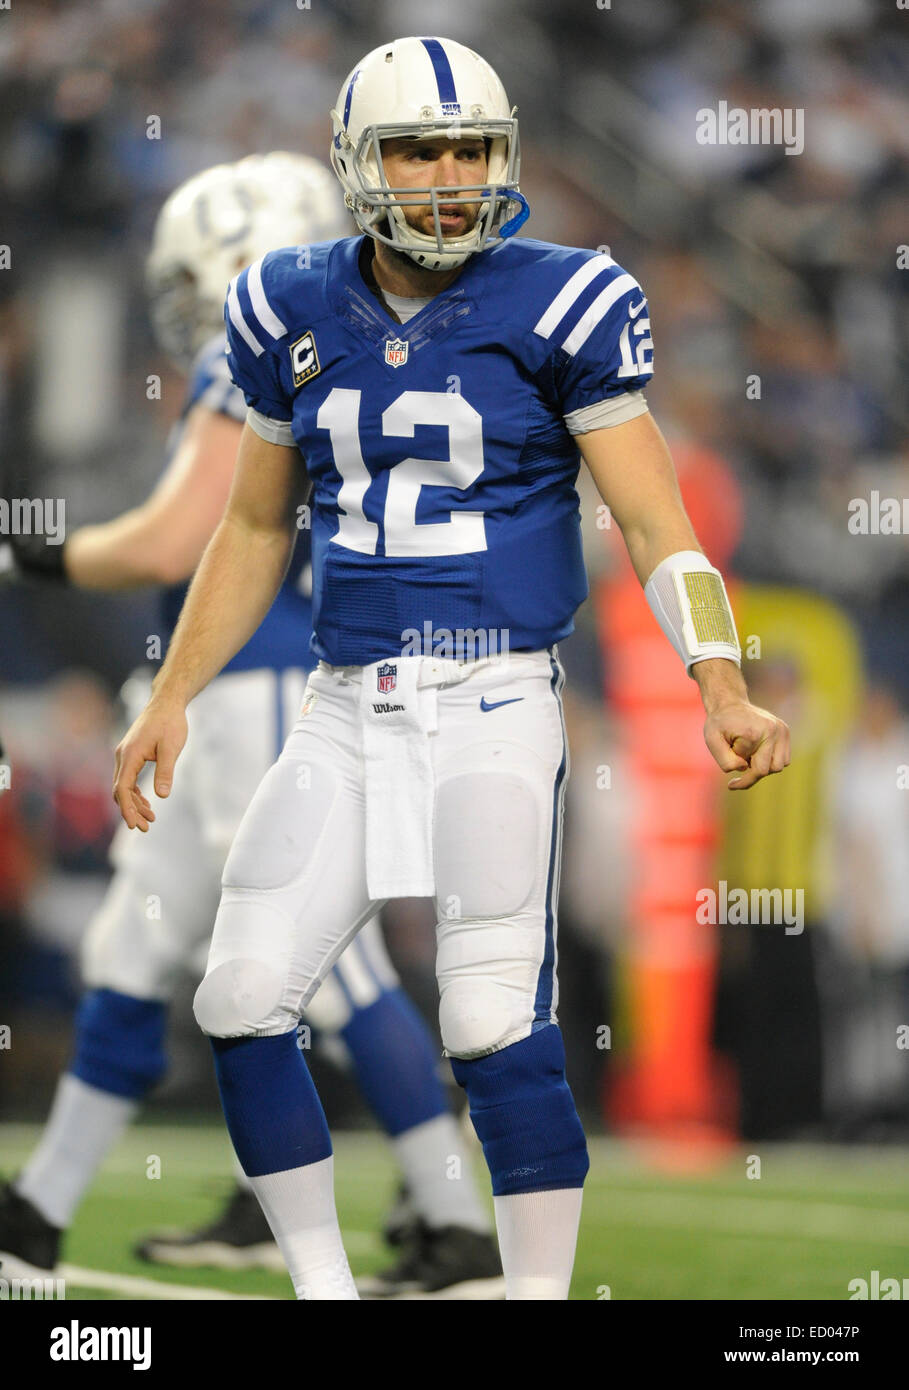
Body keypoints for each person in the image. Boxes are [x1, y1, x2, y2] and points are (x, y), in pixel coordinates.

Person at [113, 37, 790, 1301]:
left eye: (469, 148)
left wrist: (720, 677)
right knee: (242, 993)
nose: (446, 174)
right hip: (340, 706)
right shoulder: (287, 304)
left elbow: (655, 524)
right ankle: (321, 1288)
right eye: (418, 149)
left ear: (505, 155)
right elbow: (256, 527)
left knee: (488, 1021)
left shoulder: (565, 297)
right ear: (356, 162)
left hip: (493, 699)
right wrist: (169, 694)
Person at [0, 151, 502, 1300]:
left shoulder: (275, 338)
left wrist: (22, 551)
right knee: (130, 948)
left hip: (263, 684)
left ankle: (456, 1227)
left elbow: (178, 539)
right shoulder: (353, 335)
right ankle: (36, 1213)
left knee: (328, 971)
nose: (189, 305)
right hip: (220, 691)